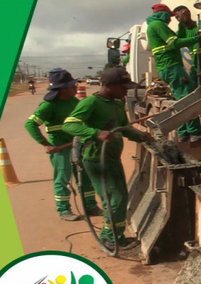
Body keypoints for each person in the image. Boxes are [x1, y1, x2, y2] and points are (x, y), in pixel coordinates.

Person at [63, 67, 153, 247]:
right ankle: (113, 240)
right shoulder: (91, 103)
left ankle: (109, 234)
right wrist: (95, 133)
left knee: (116, 199)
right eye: (123, 87)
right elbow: (69, 125)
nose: (126, 90)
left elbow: (124, 129)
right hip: (97, 160)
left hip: (112, 158)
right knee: (116, 200)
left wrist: (141, 136)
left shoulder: (117, 103)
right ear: (108, 85)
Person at [24, 68, 101, 221]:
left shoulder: (74, 102)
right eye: (72, 86)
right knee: (63, 178)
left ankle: (90, 206)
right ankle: (64, 210)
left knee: (85, 176)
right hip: (60, 148)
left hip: (78, 145)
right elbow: (30, 124)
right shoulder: (49, 105)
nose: (75, 88)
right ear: (62, 89)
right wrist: (45, 144)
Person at [146, 3, 201, 142]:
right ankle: (194, 132)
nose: (170, 20)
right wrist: (199, 38)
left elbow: (177, 39)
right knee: (187, 99)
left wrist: (181, 23)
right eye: (169, 16)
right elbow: (175, 43)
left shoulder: (154, 26)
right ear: (163, 15)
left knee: (180, 100)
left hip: (168, 68)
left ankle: (183, 132)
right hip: (172, 67)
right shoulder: (158, 25)